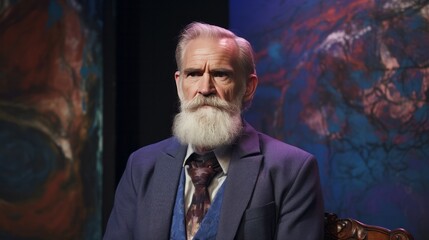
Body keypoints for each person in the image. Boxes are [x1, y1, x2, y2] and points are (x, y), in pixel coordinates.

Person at [103, 22, 324, 240]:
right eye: (194, 74)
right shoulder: (140, 166)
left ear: (248, 87)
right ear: (180, 85)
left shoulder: (292, 170)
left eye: (220, 74)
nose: (205, 88)